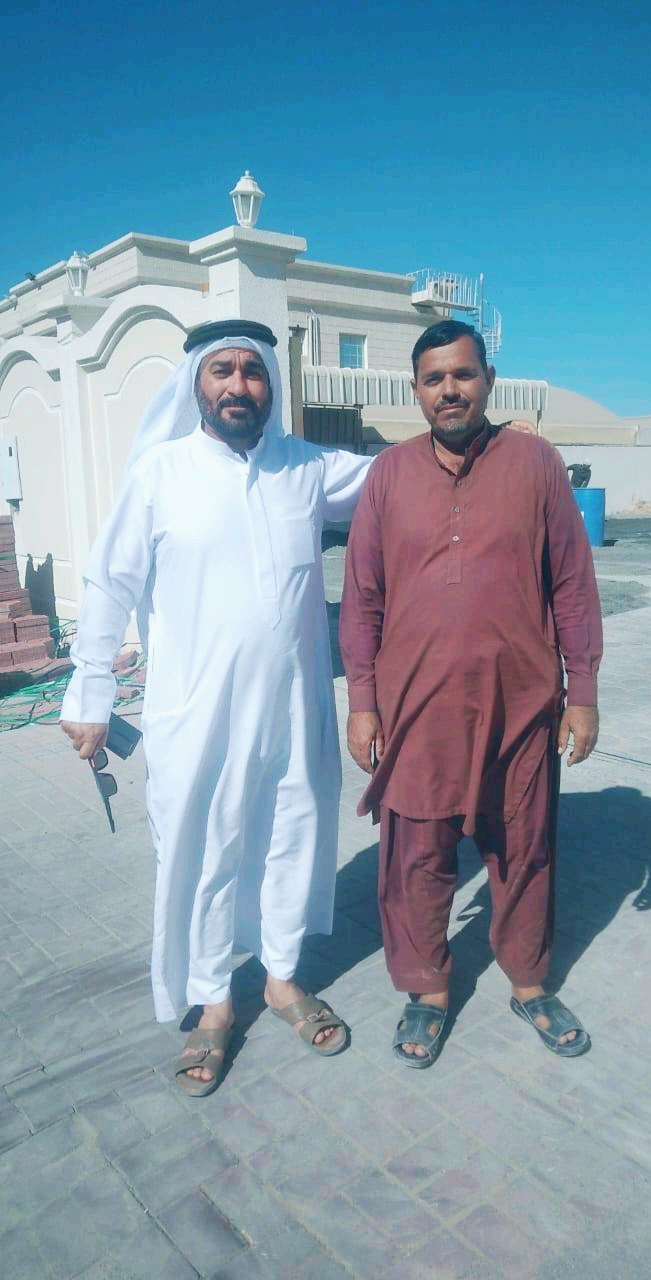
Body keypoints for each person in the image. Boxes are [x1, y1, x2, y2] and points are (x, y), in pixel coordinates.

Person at [60, 320, 373, 1096]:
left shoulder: (306, 467)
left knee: (293, 836)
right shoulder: (160, 473)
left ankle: (283, 979)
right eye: (222, 371)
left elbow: (401, 479)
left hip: (293, 710)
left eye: (253, 371)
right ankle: (212, 1003)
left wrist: (487, 447)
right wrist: (91, 691)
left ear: (271, 383)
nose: (238, 385)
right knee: (203, 854)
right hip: (195, 715)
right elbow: (108, 584)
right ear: (197, 384)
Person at [339, 319, 602, 1068]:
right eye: (434, 379)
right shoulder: (388, 474)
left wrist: (582, 690)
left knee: (522, 849)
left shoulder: (536, 463)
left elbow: (572, 583)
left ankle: (528, 980)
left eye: (462, 374)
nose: (449, 390)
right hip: (416, 708)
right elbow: (362, 596)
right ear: (415, 391)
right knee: (417, 855)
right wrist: (363, 701)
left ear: (488, 380)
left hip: (522, 701)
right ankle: (427, 989)